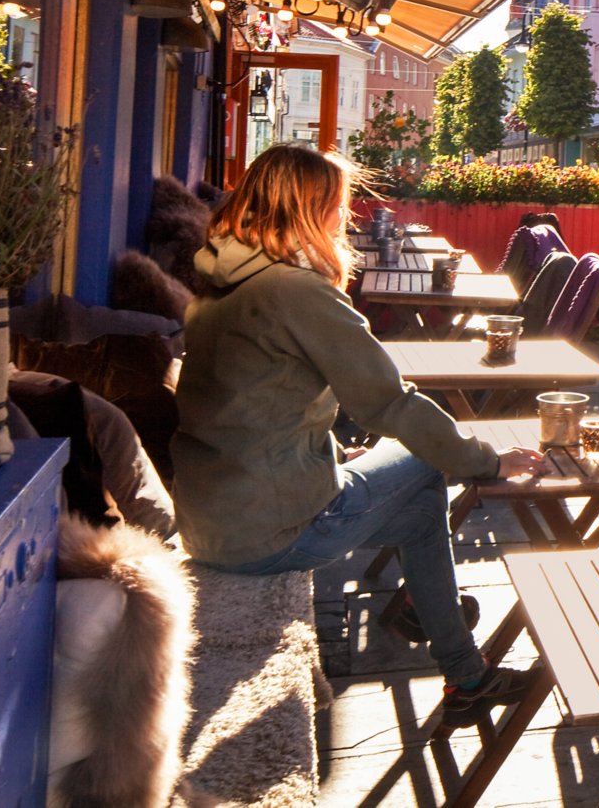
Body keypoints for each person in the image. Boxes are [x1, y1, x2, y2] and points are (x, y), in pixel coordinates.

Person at [173, 145, 551, 726]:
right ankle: (442, 638)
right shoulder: (294, 290)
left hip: (212, 515)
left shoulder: (223, 277)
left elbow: (255, 404)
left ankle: (462, 670)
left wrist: (328, 445)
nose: (343, 218)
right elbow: (389, 403)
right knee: (423, 463)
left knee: (423, 508)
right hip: (269, 531)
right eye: (338, 205)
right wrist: (488, 462)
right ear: (311, 209)